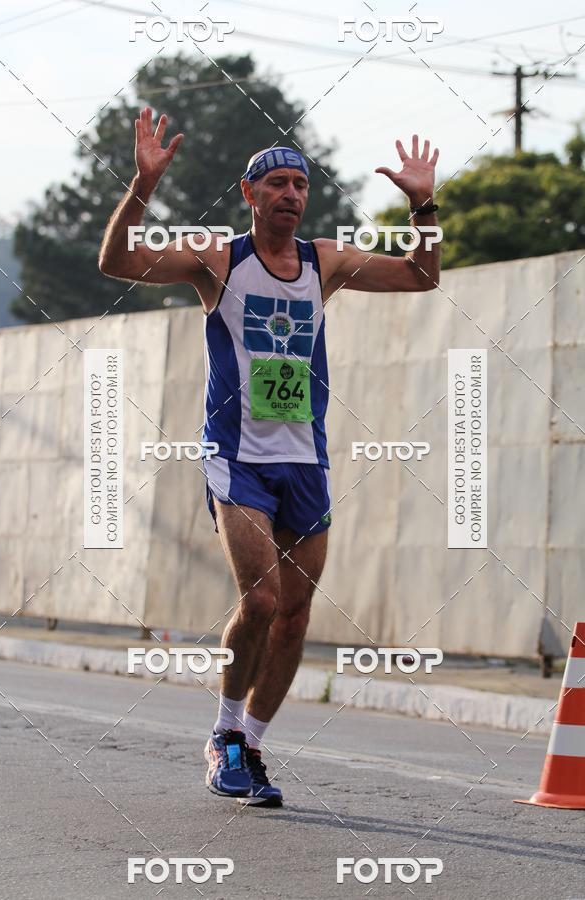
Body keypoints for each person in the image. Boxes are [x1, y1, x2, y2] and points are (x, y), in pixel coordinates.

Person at [99, 107, 440, 807]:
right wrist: (142, 186)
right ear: (249, 193)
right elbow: (117, 262)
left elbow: (421, 276)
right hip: (237, 456)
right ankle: (223, 736)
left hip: (304, 459)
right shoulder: (218, 259)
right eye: (277, 183)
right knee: (260, 600)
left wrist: (424, 207)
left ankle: (251, 745)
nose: (290, 193)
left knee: (294, 614)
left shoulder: (325, 261)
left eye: (300, 184)